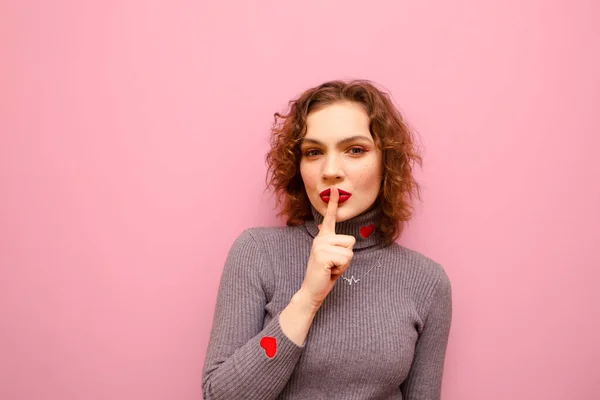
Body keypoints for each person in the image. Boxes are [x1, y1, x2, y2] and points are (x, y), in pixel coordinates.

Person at [201, 79, 452, 399]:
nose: (331, 170)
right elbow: (218, 395)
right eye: (314, 152)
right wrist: (307, 299)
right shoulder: (258, 253)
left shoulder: (427, 281)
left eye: (355, 150)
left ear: (385, 162)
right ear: (298, 166)